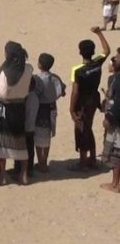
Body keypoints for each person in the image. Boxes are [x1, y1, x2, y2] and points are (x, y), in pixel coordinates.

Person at [0, 42, 33, 185]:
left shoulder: (5, 72)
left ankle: (2, 177)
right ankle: (23, 175)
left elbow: (2, 94)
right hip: (20, 108)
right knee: (21, 141)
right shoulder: (28, 69)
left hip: (6, 110)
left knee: (3, 142)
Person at [69, 27, 110, 171]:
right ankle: (92, 159)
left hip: (82, 103)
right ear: (93, 52)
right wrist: (99, 33)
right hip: (94, 99)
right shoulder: (97, 63)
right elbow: (107, 50)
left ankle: (83, 162)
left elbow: (75, 92)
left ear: (80, 52)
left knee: (81, 130)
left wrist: (71, 109)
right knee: (88, 127)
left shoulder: (77, 70)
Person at [33, 53, 66, 172]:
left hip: (40, 109)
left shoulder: (38, 79)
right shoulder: (55, 77)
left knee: (38, 138)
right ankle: (44, 161)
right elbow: (62, 91)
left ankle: (41, 163)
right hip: (52, 108)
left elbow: (35, 93)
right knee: (47, 137)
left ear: (39, 65)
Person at [101, 48, 120, 193]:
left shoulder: (118, 79)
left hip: (117, 121)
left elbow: (118, 103)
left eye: (117, 57)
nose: (114, 59)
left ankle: (115, 184)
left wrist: (109, 117)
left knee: (116, 152)